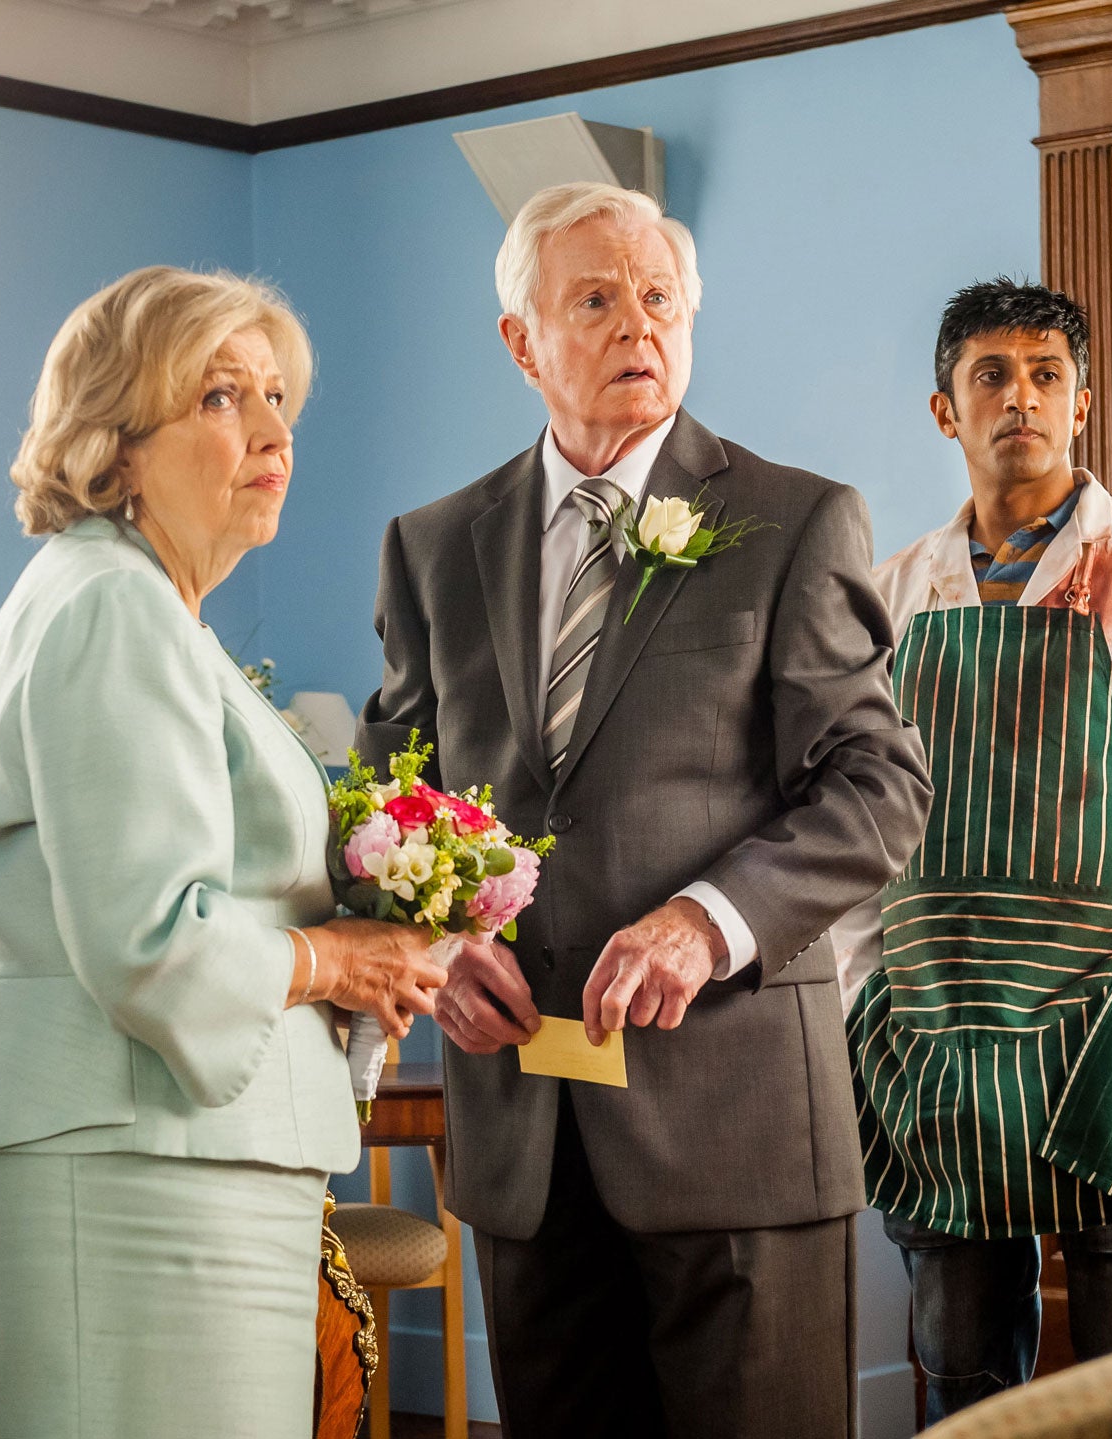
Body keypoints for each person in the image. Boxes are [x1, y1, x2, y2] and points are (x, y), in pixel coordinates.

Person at [356, 182, 933, 1438]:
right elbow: (390, 800)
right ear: (521, 341)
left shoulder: (792, 520)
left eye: (659, 298)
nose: (638, 326)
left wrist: (705, 920)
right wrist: (436, 947)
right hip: (520, 1135)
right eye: (598, 300)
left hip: (734, 1126)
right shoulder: (434, 543)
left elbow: (876, 783)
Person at [0, 266, 446, 1439]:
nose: (270, 431)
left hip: (164, 1152)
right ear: (115, 437)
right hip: (121, 1173)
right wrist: (331, 962)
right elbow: (148, 936)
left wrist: (359, 971)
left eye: (274, 398)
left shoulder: (149, 610)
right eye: (219, 397)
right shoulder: (111, 604)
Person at [835, 279, 1112, 1423]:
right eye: (988, 375)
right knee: (964, 1376)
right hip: (932, 1036)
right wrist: (864, 996)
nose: (1016, 397)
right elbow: (855, 823)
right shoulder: (888, 596)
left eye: (1043, 375)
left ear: (1080, 404)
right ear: (943, 410)